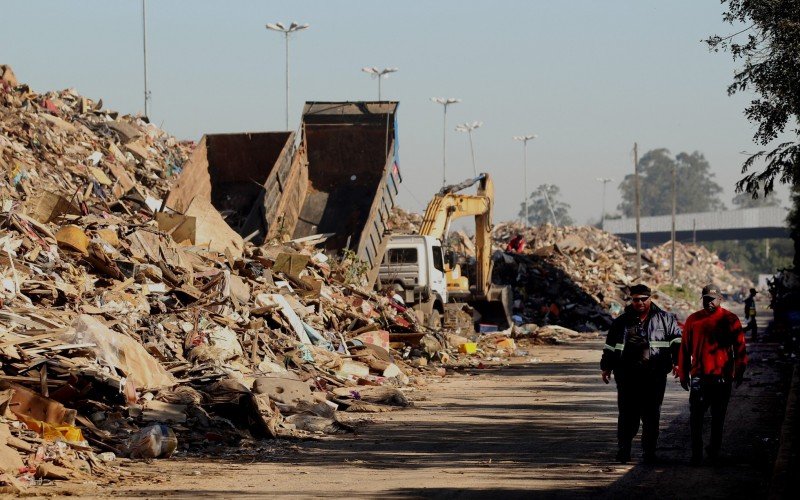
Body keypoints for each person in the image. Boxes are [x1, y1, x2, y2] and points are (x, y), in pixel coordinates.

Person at [601, 284, 682, 464]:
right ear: (631, 300)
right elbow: (610, 346)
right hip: (627, 376)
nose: (639, 303)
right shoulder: (621, 321)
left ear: (650, 298)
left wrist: (678, 362)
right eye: (635, 299)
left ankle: (649, 452)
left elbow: (677, 341)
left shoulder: (665, 319)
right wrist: (606, 367)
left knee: (651, 415)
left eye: (643, 299)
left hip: (654, 376)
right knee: (627, 414)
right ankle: (624, 450)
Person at [679, 284, 748, 465]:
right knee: (696, 417)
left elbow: (739, 347)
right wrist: (683, 373)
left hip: (722, 377)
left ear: (720, 299)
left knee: (718, 417)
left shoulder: (730, 319)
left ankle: (714, 451)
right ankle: (696, 453)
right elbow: (684, 350)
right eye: (706, 299)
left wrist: (740, 370)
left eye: (712, 299)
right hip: (699, 377)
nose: (709, 302)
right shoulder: (693, 320)